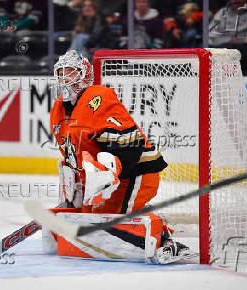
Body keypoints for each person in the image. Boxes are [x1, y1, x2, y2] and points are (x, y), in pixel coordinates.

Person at [47, 50, 189, 262]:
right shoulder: (58, 109)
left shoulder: (98, 97)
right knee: (92, 226)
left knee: (110, 229)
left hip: (134, 170)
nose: (65, 78)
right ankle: (146, 218)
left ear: (85, 73)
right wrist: (73, 195)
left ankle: (166, 240)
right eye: (61, 73)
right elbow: (72, 156)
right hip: (104, 178)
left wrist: (109, 174)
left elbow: (130, 144)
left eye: (71, 72)